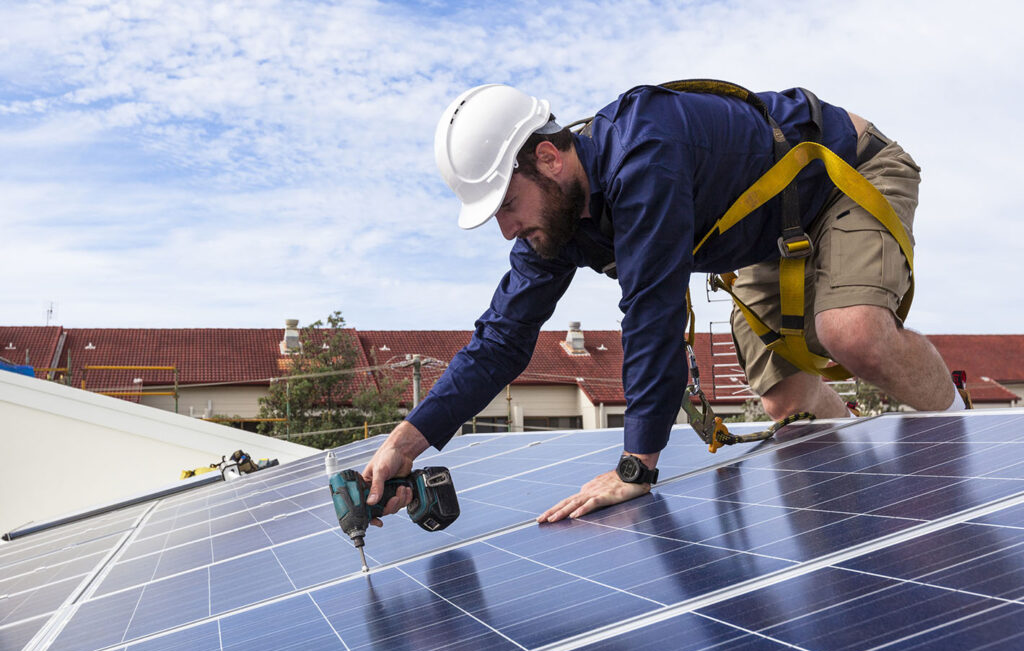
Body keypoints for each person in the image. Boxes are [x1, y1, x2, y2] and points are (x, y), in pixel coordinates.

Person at [362, 81, 965, 526]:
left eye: (506, 205)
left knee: (850, 332)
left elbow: (652, 313)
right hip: (765, 233)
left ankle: (985, 451)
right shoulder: (555, 219)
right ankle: (860, 519)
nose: (506, 230)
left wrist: (637, 465)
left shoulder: (644, 153)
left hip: (842, 176)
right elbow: (500, 342)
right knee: (786, 396)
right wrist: (403, 445)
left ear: (547, 159)